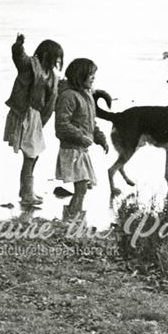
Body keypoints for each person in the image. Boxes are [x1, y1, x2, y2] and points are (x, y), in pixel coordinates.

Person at [4, 33, 63, 206]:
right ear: (46, 54)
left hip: (35, 117)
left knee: (33, 155)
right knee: (31, 155)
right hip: (25, 114)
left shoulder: (51, 75)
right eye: (55, 58)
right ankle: (26, 193)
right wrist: (18, 46)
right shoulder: (30, 66)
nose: (57, 62)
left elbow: (53, 95)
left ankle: (26, 191)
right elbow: (19, 58)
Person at [54, 57, 108, 217]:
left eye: (94, 75)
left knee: (83, 186)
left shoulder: (86, 95)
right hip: (71, 149)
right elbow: (61, 125)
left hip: (81, 149)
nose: (93, 78)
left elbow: (90, 121)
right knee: (82, 187)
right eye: (90, 74)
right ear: (80, 75)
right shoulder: (69, 96)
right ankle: (73, 217)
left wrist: (100, 137)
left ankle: (72, 214)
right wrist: (81, 137)